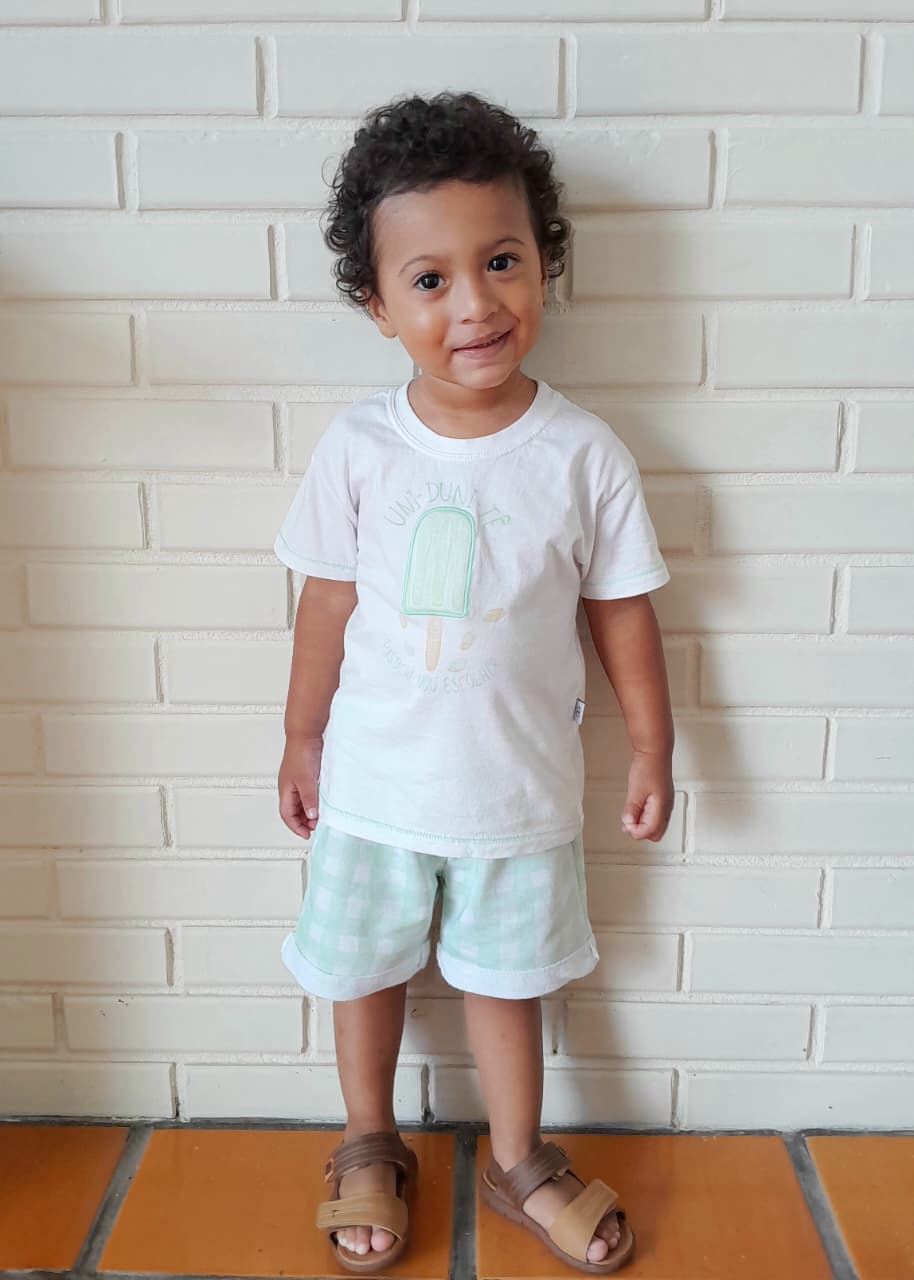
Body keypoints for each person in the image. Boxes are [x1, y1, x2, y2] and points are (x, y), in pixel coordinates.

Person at [274, 90, 674, 1276]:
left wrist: (651, 745)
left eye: (499, 261)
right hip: (372, 791)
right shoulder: (360, 448)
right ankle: (367, 1136)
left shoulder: (581, 454)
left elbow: (621, 610)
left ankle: (517, 1153)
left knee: (509, 983)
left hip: (516, 797)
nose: (475, 304)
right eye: (429, 278)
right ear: (377, 305)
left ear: (541, 261)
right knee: (364, 973)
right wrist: (300, 736)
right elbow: (324, 605)